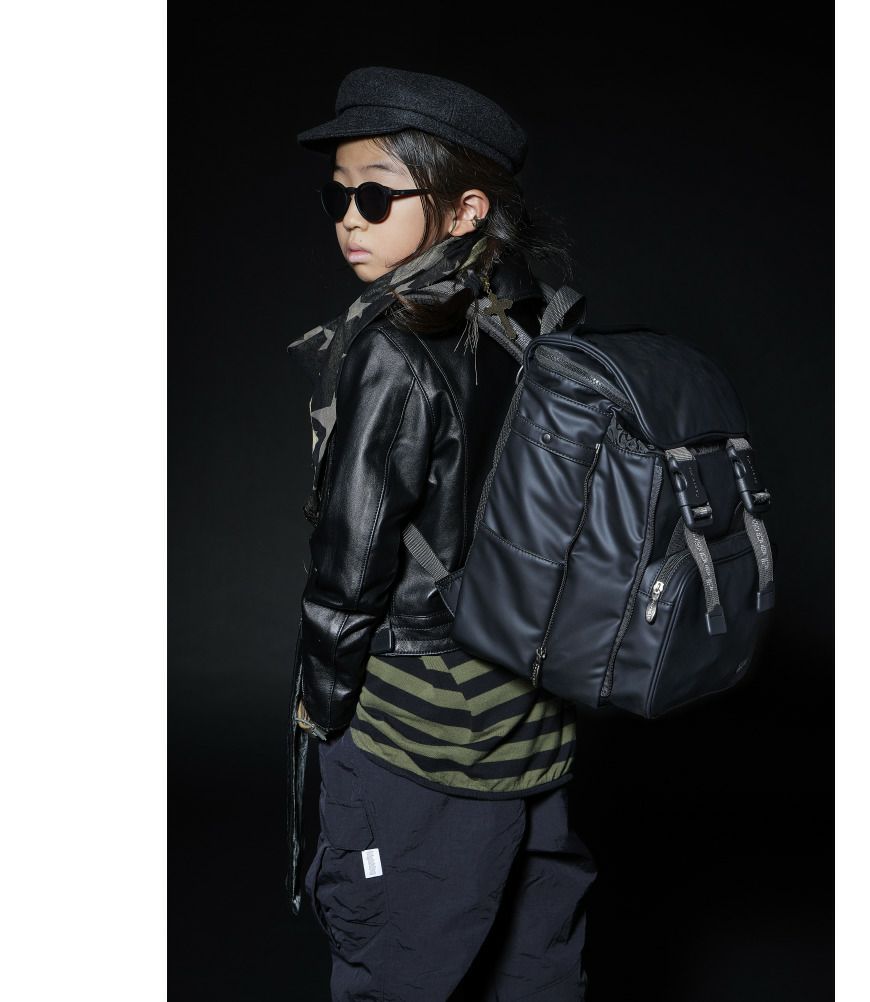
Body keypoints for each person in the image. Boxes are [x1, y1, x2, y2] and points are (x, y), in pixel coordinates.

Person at [284, 67, 598, 1001]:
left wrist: (320, 711)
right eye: (338, 196)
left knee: (394, 966)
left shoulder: (391, 349)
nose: (350, 219)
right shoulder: (542, 323)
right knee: (536, 962)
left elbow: (351, 565)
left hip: (416, 734)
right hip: (536, 713)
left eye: (377, 196)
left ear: (465, 211)